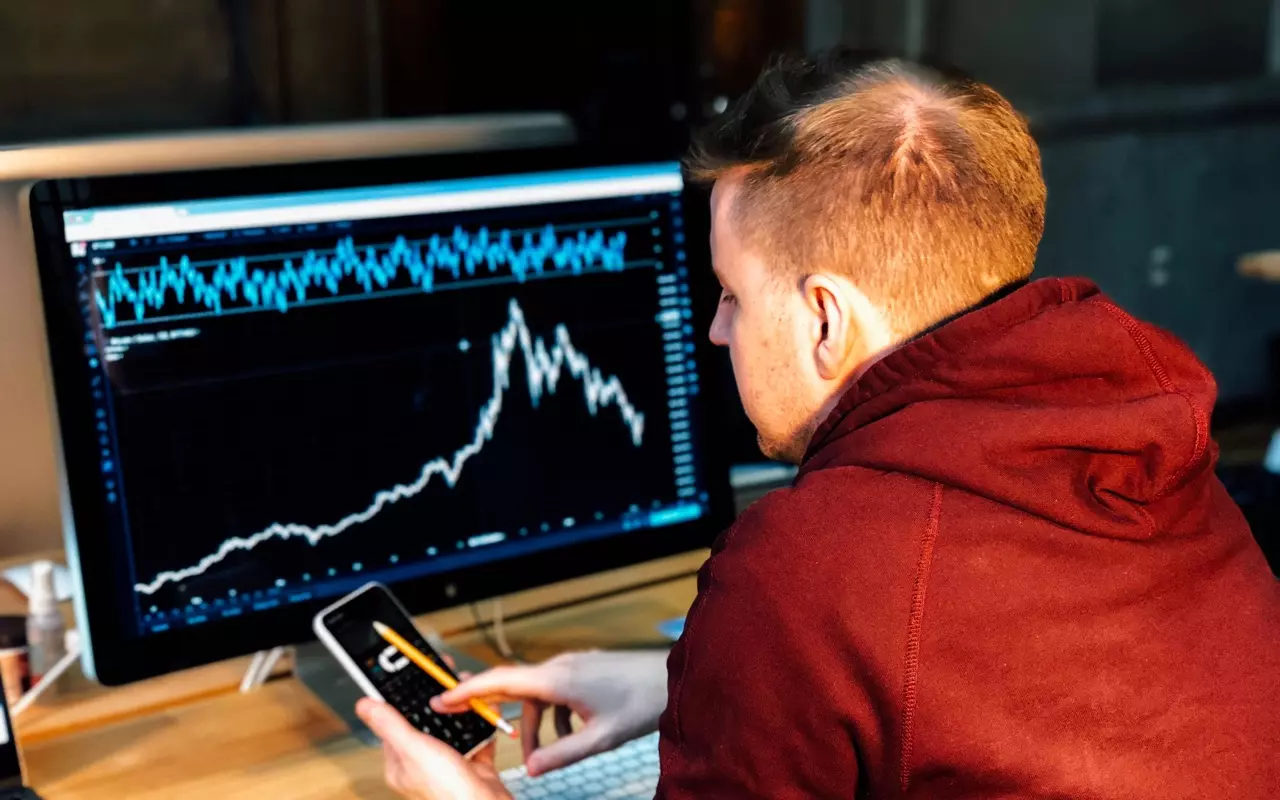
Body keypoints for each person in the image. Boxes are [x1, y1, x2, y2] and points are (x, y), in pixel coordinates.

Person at [357, 49, 1280, 799]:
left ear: (826, 319)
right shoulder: (1159, 452)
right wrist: (691, 687)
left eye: (731, 295)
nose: (716, 329)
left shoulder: (809, 572)